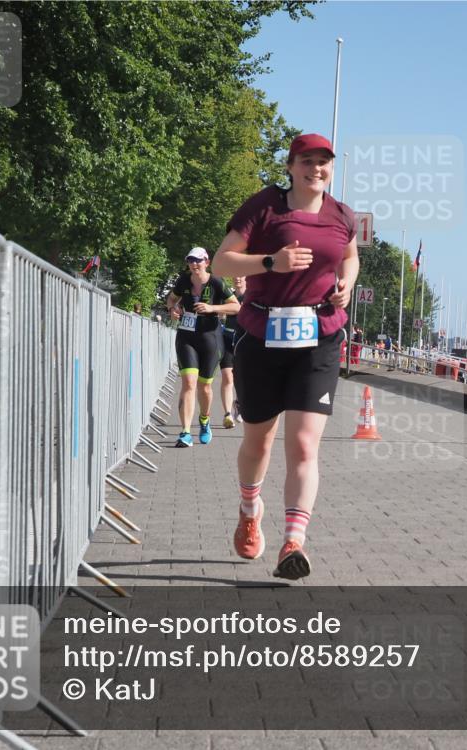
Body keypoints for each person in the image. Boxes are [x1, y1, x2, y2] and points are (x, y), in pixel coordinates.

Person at [210, 133, 359, 580]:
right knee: (259, 441)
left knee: (303, 444)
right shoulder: (265, 207)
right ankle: (250, 509)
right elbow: (221, 263)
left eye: (325, 162)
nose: (317, 169)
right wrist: (270, 262)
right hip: (262, 333)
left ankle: (293, 541)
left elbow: (349, 256)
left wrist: (346, 281)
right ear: (291, 165)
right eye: (308, 161)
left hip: (320, 336)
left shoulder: (341, 215)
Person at [166, 247, 241, 447]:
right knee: (188, 383)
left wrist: (212, 308)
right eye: (191, 260)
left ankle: (205, 420)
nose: (194, 264)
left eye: (198, 260)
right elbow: (172, 299)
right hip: (186, 336)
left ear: (206, 262)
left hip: (210, 337)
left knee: (204, 386)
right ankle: (185, 432)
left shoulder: (216, 282)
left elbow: (236, 306)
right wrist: (172, 309)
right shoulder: (183, 281)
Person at [218, 276, 247, 428]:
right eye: (235, 276)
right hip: (227, 338)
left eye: (241, 276)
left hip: (245, 341)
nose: (238, 279)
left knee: (243, 377)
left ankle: (239, 403)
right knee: (227, 377)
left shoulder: (252, 296)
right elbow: (219, 312)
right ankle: (227, 414)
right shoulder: (228, 296)